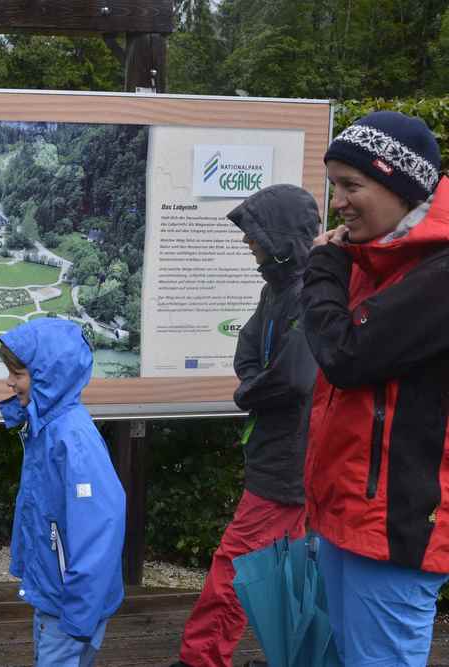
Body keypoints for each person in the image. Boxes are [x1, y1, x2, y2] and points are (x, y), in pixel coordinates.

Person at [301, 110, 449, 666]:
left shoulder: (439, 274)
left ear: (399, 185)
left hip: (394, 524)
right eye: (334, 184)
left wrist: (322, 269)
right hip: (353, 515)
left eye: (351, 185)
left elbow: (346, 355)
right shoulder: (379, 258)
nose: (337, 201)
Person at [169, 184, 321, 667]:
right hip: (284, 456)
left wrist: (248, 392)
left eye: (253, 233)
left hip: (286, 462)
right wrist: (255, 384)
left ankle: (201, 660)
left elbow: (295, 378)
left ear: (277, 237)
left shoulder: (307, 295)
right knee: (284, 569)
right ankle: (294, 655)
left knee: (236, 564)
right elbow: (248, 350)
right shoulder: (276, 290)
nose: (245, 242)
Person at [0, 318, 126, 667]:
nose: (10, 382)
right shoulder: (46, 428)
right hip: (56, 596)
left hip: (68, 606)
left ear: (48, 375)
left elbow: (102, 526)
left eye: (18, 373)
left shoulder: (72, 440)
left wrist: (79, 613)